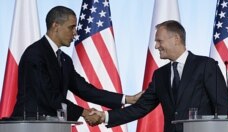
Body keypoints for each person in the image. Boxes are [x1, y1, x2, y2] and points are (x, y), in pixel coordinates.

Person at [86, 20, 228, 132]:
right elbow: (141, 107)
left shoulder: (205, 65)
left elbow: (223, 107)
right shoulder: (159, 75)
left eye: (159, 41)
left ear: (176, 39)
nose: (156, 46)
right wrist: (105, 116)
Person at [11, 6, 141, 122]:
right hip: (29, 126)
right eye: (71, 27)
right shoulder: (35, 54)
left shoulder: (64, 60)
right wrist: (84, 113)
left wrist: (128, 99)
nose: (75, 33)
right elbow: (48, 96)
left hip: (54, 127)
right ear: (55, 26)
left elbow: (85, 90)